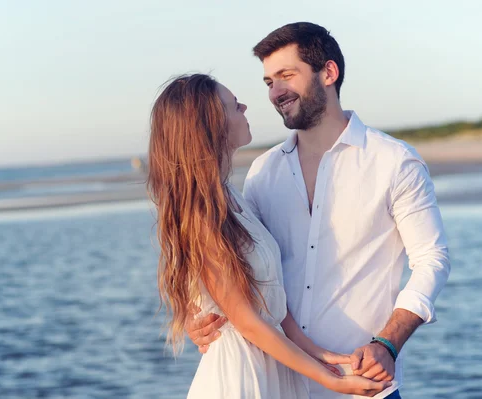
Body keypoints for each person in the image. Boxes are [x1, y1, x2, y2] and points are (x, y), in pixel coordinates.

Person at [185, 22, 450, 399]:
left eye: (286, 76)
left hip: (363, 383)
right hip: (278, 383)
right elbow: (245, 276)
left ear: (328, 72)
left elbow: (432, 260)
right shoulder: (262, 173)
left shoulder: (394, 162)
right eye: (268, 82)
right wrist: (205, 317)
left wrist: (388, 343)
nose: (275, 92)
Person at [147, 74, 391, 398]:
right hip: (240, 376)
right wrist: (329, 379)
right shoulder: (202, 214)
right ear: (211, 124)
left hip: (269, 368)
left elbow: (269, 301)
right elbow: (247, 321)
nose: (246, 106)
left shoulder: (231, 197)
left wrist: (315, 352)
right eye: (235, 105)